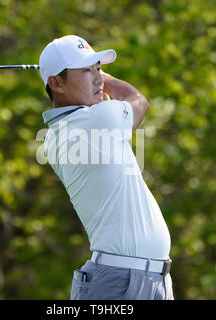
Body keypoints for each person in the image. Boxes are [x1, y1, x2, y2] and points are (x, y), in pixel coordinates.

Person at [39, 35, 174, 300]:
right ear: (55, 83)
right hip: (120, 283)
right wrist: (105, 78)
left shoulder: (57, 134)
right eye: (86, 71)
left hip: (146, 280)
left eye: (99, 68)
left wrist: (87, 73)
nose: (99, 78)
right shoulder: (99, 119)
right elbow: (137, 99)